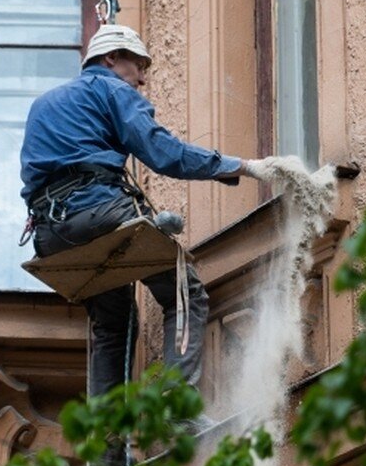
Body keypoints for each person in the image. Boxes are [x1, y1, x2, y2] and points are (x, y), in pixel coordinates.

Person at [20, 24, 252, 432]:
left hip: (51, 233)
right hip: (100, 212)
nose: (142, 79)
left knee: (114, 323)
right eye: (139, 66)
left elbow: (34, 172)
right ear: (111, 58)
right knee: (185, 291)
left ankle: (105, 446)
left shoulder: (43, 104)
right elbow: (163, 153)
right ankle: (177, 410)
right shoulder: (112, 89)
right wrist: (236, 166)